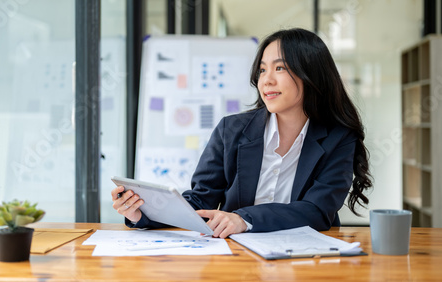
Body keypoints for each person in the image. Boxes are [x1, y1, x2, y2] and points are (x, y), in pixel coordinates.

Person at [111, 28, 372, 238]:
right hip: (237, 255)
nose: (266, 80)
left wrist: (243, 219)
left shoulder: (339, 137)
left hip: (307, 257)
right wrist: (142, 213)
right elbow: (202, 198)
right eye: (262, 70)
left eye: (279, 68)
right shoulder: (231, 130)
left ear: (311, 74)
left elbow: (317, 211)